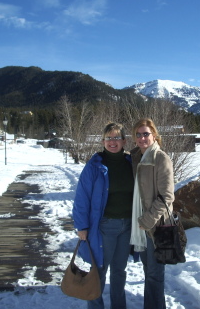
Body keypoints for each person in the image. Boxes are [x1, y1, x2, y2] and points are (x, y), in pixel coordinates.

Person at [72, 122, 134, 309]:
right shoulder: (94, 166)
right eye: (108, 138)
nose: (112, 142)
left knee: (119, 271)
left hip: (127, 226)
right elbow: (81, 198)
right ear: (102, 141)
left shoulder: (132, 163)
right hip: (104, 226)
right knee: (98, 271)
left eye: (116, 137)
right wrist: (82, 226)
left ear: (124, 140)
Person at [130, 118, 175, 309]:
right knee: (148, 272)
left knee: (155, 276)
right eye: (138, 134)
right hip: (139, 223)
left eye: (146, 133)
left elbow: (167, 197)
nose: (142, 138)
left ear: (154, 135)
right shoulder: (134, 157)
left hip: (155, 226)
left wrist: (148, 220)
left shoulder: (160, 158)